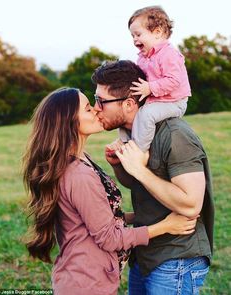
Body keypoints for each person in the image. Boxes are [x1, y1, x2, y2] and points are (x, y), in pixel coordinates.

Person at [22, 87, 197, 295]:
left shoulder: (81, 159)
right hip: (86, 284)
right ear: (69, 123)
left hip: (87, 278)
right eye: (88, 108)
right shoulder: (79, 175)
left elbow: (96, 217)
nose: (97, 110)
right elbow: (110, 238)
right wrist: (166, 226)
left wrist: (140, 216)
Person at [92, 60, 214, 294]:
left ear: (128, 104)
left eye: (101, 101)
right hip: (145, 254)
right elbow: (138, 184)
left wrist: (138, 169)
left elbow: (190, 205)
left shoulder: (175, 135)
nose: (96, 107)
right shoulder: (131, 133)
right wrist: (120, 166)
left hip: (177, 258)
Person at [119, 6, 191, 152]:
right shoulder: (143, 57)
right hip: (155, 98)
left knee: (146, 114)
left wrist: (150, 88)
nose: (134, 39)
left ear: (157, 32)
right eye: (132, 36)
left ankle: (139, 150)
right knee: (126, 109)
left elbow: (174, 81)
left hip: (174, 102)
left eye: (138, 34)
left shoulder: (169, 54)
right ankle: (125, 142)